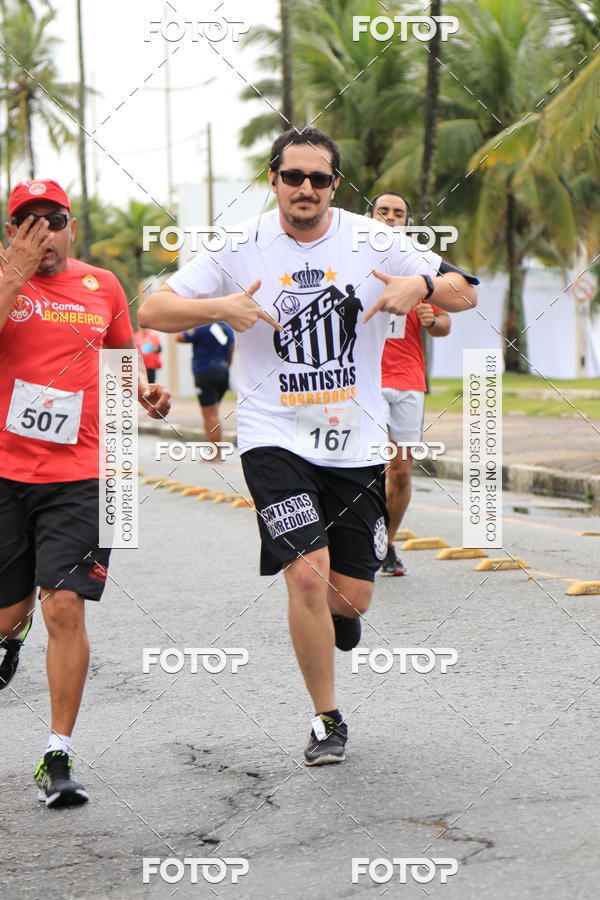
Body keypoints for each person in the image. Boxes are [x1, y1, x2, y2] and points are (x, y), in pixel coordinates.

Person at [140, 127, 478, 766]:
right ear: (272, 180)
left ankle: (343, 618)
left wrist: (423, 289)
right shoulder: (241, 244)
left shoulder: (372, 238)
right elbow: (153, 310)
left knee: (351, 596)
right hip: (273, 436)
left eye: (318, 179)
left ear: (335, 187)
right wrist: (222, 308)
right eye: (292, 176)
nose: (305, 189)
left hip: (353, 440)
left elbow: (466, 289)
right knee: (306, 574)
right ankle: (326, 719)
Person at [0, 179, 170, 807]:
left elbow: (123, 360)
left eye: (55, 219)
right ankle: (8, 634)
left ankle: (57, 754)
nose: (44, 232)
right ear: (12, 230)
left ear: (72, 226)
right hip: (4, 475)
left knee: (65, 604)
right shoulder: (2, 276)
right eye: (29, 222)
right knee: (9, 613)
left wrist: (145, 391)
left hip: (79, 476)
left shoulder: (102, 287)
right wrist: (12, 276)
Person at [368, 192, 452, 576]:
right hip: (364, 381)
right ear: (370, 217)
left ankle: (385, 542)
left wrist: (431, 318)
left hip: (409, 381)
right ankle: (355, 541)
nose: (389, 218)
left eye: (397, 213)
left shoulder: (421, 267)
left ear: (406, 221)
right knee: (365, 467)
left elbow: (446, 323)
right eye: (382, 211)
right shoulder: (355, 262)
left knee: (400, 470)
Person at [176, 322, 234, 457]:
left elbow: (179, 337)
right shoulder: (226, 327)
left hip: (205, 372)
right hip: (222, 370)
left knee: (210, 415)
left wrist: (183, 322)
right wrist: (226, 366)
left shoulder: (202, 326)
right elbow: (231, 348)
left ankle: (215, 454)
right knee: (214, 413)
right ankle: (215, 451)